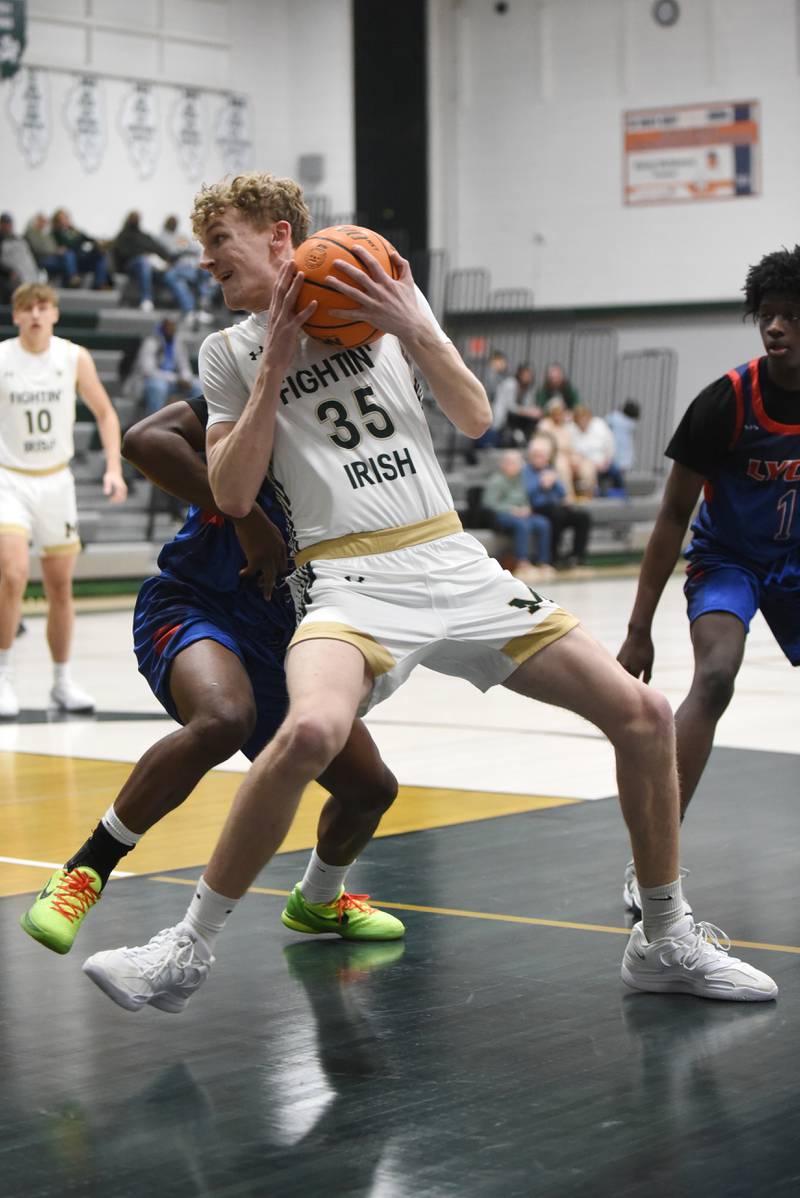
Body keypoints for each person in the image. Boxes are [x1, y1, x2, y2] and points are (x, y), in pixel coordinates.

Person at [79, 171, 776, 1012]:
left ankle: (664, 938)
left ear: (277, 234)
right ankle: (183, 953)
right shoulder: (228, 352)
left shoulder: (379, 295)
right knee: (307, 731)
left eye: (219, 240)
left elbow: (476, 415)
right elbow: (229, 494)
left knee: (647, 716)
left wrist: (413, 324)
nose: (205, 260)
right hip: (348, 576)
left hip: (452, 558)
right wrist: (273, 374)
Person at [20, 394, 403, 960]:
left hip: (287, 636)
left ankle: (319, 899)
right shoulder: (259, 394)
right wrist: (244, 512)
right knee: (225, 718)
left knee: (371, 790)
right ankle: (85, 871)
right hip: (197, 603)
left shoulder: (375, 448)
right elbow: (143, 440)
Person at [617, 244, 800, 916]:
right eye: (767, 315)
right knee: (716, 676)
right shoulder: (727, 401)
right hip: (730, 561)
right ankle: (654, 864)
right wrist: (638, 630)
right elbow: (670, 515)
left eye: (790, 315)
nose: (775, 327)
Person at [0, 283, 128, 718]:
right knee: (13, 574)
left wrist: (113, 467)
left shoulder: (73, 357)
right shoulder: (2, 358)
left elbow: (106, 413)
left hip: (56, 482)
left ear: (54, 314)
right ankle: (4, 677)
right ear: (16, 316)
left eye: (43, 307)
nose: (35, 315)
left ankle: (61, 681)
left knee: (60, 587)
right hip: (9, 480)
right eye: (27, 309)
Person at [481, 448, 555, 581]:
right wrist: (512, 510)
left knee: (543, 523)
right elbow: (489, 503)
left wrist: (526, 508)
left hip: (522, 514)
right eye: (513, 463)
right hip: (503, 516)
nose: (517, 466)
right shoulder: (497, 480)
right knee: (522, 525)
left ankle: (544, 563)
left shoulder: (520, 479)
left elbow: (524, 498)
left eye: (518, 463)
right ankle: (522, 563)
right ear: (504, 464)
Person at [523, 436, 592, 569]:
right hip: (538, 507)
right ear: (532, 457)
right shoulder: (526, 472)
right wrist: (541, 484)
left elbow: (562, 493)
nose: (543, 459)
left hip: (556, 506)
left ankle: (577, 556)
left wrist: (554, 481)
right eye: (538, 456)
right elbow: (527, 493)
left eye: (544, 456)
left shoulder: (549, 470)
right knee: (557, 515)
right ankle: (553, 556)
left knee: (583, 516)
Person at [111, 211, 196, 316]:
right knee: (143, 261)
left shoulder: (145, 236)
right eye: (133, 217)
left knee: (172, 275)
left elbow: (160, 250)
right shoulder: (123, 235)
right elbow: (123, 253)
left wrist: (166, 261)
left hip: (153, 267)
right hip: (132, 265)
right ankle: (146, 299)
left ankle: (190, 311)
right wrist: (144, 255)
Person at [123, 316, 202, 417]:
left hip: (173, 382)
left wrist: (186, 378)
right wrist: (175, 379)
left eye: (173, 327)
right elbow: (148, 371)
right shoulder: (151, 342)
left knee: (198, 386)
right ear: (162, 328)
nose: (171, 329)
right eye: (168, 327)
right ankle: (153, 423)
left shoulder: (177, 342)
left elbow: (184, 366)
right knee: (158, 387)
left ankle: (197, 423)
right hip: (148, 382)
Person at [159, 214, 217, 322]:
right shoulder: (162, 236)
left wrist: (183, 249)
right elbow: (171, 251)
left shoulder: (179, 236)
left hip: (190, 265)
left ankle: (201, 308)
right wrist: (182, 250)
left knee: (211, 275)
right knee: (177, 280)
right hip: (176, 266)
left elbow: (194, 249)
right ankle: (191, 311)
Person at [51, 208, 111, 290]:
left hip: (81, 257)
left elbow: (89, 239)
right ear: (57, 221)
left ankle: (99, 283)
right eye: (61, 219)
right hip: (68, 260)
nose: (64, 221)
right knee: (69, 253)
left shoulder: (76, 231)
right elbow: (53, 247)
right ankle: (73, 278)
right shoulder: (54, 233)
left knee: (101, 255)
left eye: (65, 218)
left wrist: (98, 242)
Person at [24, 213, 81, 288]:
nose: (44, 223)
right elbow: (38, 248)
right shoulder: (32, 232)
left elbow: (52, 245)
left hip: (50, 257)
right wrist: (56, 251)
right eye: (42, 221)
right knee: (67, 259)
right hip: (41, 259)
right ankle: (71, 277)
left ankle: (68, 280)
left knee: (68, 257)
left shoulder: (46, 234)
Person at [492, 363, 542, 446]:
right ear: (519, 374)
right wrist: (529, 412)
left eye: (530, 375)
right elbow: (510, 407)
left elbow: (529, 405)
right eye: (525, 374)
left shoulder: (528, 388)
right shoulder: (510, 384)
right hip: (502, 419)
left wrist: (534, 411)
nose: (527, 377)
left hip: (516, 419)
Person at [571, 405, 616, 495]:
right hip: (583, 462)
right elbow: (573, 451)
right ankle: (587, 494)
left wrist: (607, 461)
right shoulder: (571, 430)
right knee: (586, 470)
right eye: (580, 419)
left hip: (602, 461)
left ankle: (591, 494)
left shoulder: (600, 425)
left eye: (585, 418)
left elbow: (610, 444)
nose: (583, 422)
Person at [604, 398, 640, 493]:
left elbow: (608, 419)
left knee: (611, 478)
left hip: (613, 455)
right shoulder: (632, 424)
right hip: (625, 459)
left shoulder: (613, 418)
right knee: (621, 479)